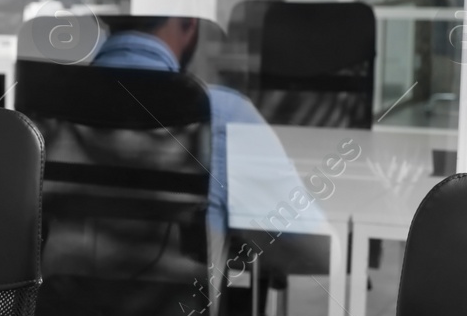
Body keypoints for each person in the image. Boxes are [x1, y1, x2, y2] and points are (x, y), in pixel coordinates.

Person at [92, 16, 327, 240]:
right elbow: (313, 251)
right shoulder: (223, 112)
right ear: (190, 22)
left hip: (62, 283)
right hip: (189, 283)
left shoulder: (58, 101)